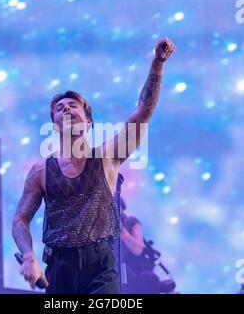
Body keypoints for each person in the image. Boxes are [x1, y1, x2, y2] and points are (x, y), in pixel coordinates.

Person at [12, 38, 176, 294]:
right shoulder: (41, 171)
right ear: (55, 125)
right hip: (60, 267)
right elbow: (20, 220)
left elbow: (143, 112)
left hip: (100, 264)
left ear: (88, 120)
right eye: (59, 108)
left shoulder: (108, 156)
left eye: (73, 106)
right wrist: (28, 256)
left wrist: (157, 64)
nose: (66, 109)